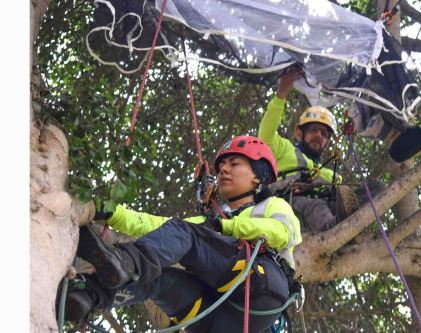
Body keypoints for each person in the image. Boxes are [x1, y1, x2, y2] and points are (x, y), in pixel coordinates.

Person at [63, 135, 302, 333]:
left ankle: (126, 263)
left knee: (183, 234)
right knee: (157, 279)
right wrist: (113, 213)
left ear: (258, 176)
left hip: (260, 287)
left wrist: (226, 227)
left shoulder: (271, 205)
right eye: (221, 167)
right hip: (217, 321)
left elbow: (282, 233)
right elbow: (159, 228)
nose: (224, 171)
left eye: (235, 164)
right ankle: (85, 295)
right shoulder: (209, 224)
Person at [258, 68, 385, 234]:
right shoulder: (284, 149)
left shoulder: (330, 174)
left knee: (376, 188)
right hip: (288, 206)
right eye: (313, 130)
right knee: (316, 205)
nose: (319, 135)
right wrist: (282, 93)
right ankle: (336, 232)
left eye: (324, 134)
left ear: (327, 142)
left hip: (322, 211)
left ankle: (349, 226)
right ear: (298, 133)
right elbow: (265, 135)